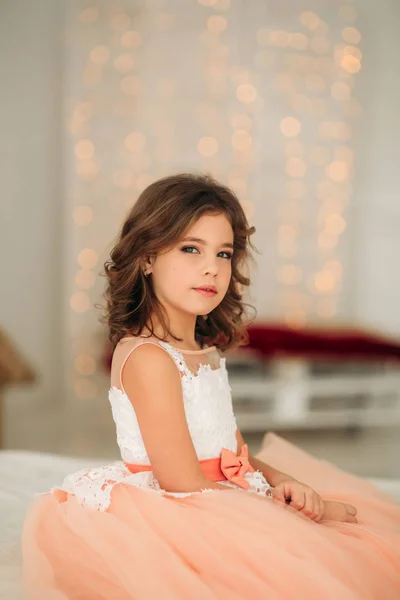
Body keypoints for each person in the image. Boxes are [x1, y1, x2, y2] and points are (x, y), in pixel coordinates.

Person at [22, 173, 400, 599]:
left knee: (349, 532)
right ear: (147, 258)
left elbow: (233, 452)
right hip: (181, 508)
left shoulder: (202, 349)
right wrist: (283, 513)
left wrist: (287, 484)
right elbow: (183, 481)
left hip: (222, 492)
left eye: (224, 253)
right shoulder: (149, 358)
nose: (211, 268)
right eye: (190, 249)